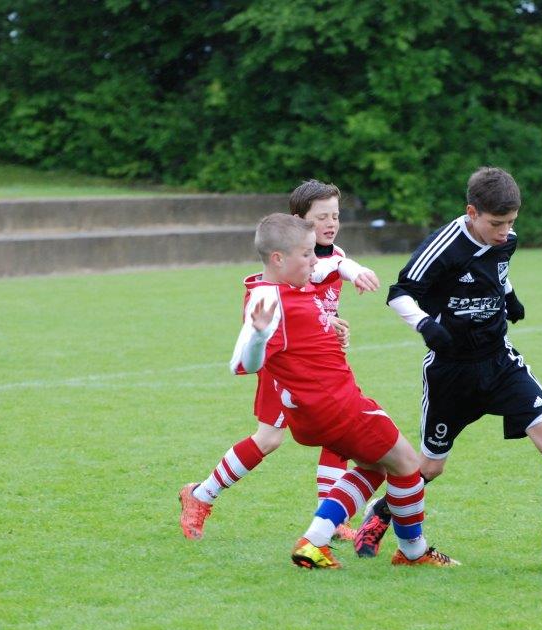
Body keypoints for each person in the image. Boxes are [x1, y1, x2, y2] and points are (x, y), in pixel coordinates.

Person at [353, 166, 542, 562]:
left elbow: (498, 271)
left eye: (511, 222)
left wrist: (510, 297)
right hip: (451, 372)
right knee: (430, 468)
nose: (505, 232)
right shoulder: (444, 247)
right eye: (496, 223)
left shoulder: (506, 241)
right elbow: (399, 292)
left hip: (500, 361)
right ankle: (381, 514)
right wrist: (426, 325)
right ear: (472, 212)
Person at [184, 213, 457, 568]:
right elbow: (243, 363)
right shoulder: (268, 300)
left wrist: (333, 314)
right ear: (278, 258)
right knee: (407, 464)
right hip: (337, 405)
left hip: (316, 412)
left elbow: (327, 276)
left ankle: (316, 540)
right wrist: (258, 336)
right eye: (307, 254)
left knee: (375, 466)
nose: (314, 261)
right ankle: (412, 552)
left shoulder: (289, 284)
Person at [178, 181, 381, 543]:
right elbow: (323, 274)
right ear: (298, 222)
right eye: (321, 217)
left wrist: (332, 324)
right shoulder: (301, 264)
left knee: (340, 427)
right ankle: (201, 494)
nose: (330, 223)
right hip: (284, 366)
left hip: (318, 363)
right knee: (269, 438)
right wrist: (352, 269)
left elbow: (319, 295)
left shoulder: (328, 254)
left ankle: (330, 518)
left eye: (335, 216)